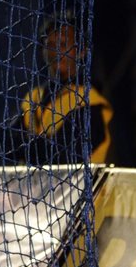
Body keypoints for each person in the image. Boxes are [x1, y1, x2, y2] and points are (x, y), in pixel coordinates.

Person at [7, 13, 114, 165]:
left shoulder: (89, 101)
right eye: (49, 45)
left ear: (81, 51)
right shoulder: (34, 96)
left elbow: (64, 155)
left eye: (63, 44)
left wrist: (27, 147)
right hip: (35, 187)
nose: (56, 52)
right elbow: (8, 143)